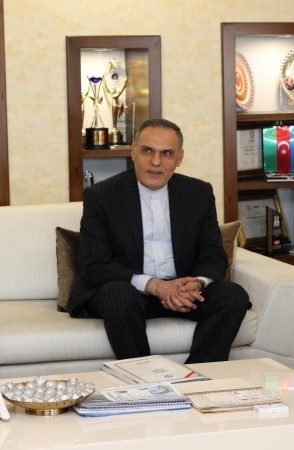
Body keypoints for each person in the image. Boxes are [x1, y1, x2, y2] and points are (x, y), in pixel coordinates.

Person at [67, 118, 251, 363]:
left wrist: (195, 284)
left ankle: (198, 376)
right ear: (133, 152)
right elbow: (94, 264)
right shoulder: (101, 196)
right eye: (147, 151)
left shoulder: (198, 193)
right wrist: (155, 286)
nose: (156, 162)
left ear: (179, 157)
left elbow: (213, 255)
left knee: (233, 295)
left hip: (182, 292)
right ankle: (145, 378)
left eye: (166, 153)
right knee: (116, 294)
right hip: (131, 292)